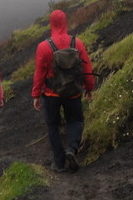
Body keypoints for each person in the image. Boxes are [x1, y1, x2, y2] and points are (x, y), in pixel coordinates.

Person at [32, 9, 95, 172]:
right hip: (73, 91)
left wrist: (36, 95)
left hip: (51, 93)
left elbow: (39, 73)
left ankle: (59, 163)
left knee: (52, 125)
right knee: (75, 121)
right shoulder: (77, 43)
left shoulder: (43, 47)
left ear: (51, 24)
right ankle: (71, 149)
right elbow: (86, 67)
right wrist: (89, 88)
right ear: (65, 22)